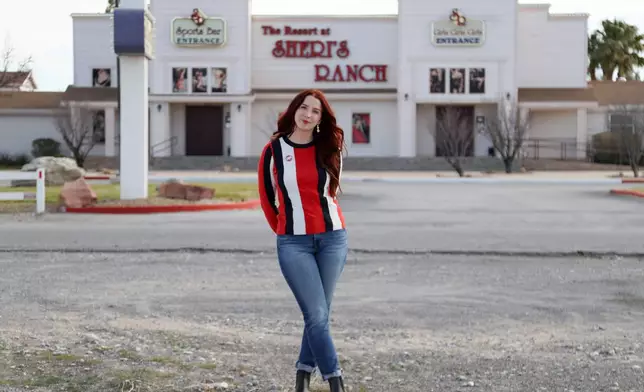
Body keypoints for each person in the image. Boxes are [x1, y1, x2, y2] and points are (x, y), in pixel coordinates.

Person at [257, 89, 348, 392]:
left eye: (316, 111)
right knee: (317, 315)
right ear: (294, 110)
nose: (308, 115)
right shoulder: (273, 151)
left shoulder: (330, 148)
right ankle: (336, 381)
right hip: (294, 243)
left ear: (322, 118)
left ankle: (302, 375)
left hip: (333, 239)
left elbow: (331, 194)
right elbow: (268, 200)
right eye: (304, 108)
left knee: (318, 314)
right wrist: (285, 231)